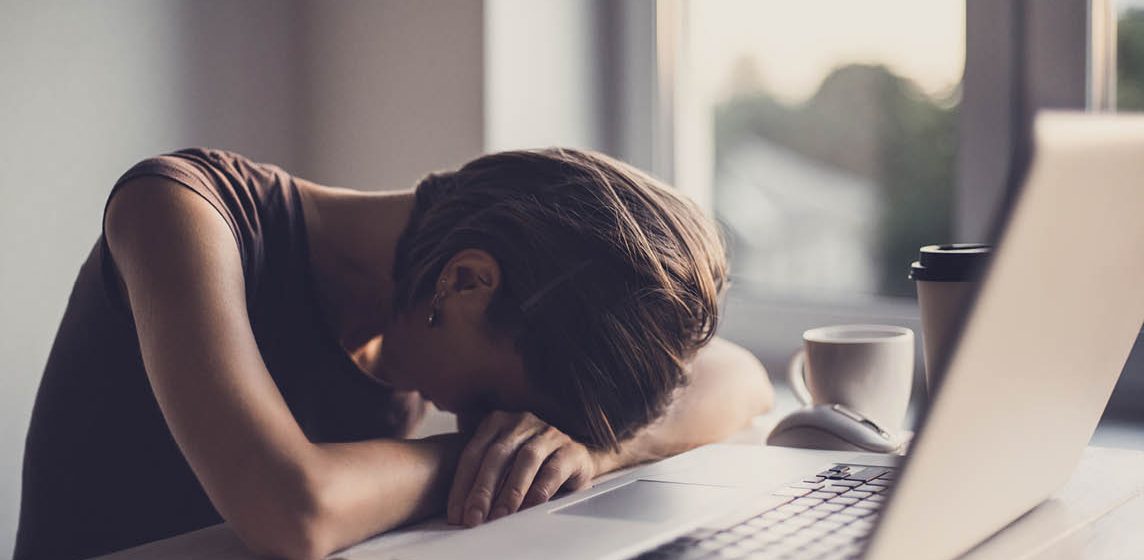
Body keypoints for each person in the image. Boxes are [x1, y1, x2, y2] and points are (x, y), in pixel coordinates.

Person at [15, 147, 773, 560]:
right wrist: (476, 453)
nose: (497, 423)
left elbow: (739, 377)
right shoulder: (179, 210)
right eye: (493, 406)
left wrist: (588, 451)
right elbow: (294, 512)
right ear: (467, 282)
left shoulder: (450, 305)